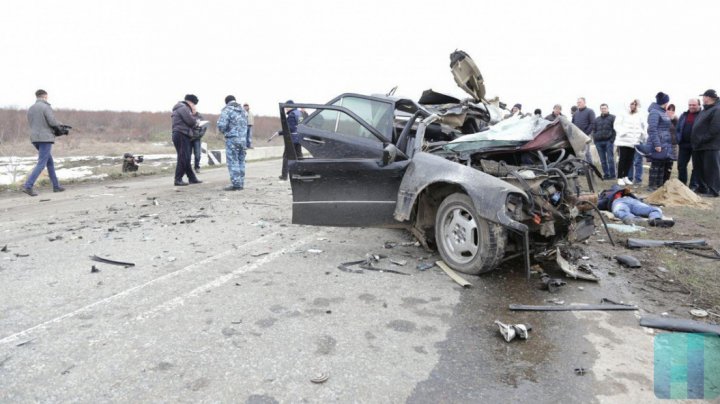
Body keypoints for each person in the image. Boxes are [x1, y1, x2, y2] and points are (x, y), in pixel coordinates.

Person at [22, 89, 65, 196]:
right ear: (45, 96)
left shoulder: (31, 108)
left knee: (49, 162)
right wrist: (61, 127)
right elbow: (52, 122)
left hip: (34, 139)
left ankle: (56, 186)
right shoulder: (46, 107)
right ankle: (28, 186)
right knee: (41, 163)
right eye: (47, 96)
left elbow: (36, 123)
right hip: (45, 139)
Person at [597, 185, 674, 227]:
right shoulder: (605, 198)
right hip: (621, 202)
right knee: (621, 211)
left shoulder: (611, 191)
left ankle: (655, 220)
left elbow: (616, 186)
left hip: (631, 201)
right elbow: (598, 205)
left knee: (655, 209)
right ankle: (635, 220)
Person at [690, 89, 720, 197]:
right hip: (699, 146)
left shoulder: (717, 109)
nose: (703, 98)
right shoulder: (705, 110)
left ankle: (714, 191)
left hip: (710, 146)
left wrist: (702, 139)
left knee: (711, 169)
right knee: (700, 169)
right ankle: (703, 188)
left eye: (704, 96)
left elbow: (715, 129)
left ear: (709, 97)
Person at [643, 91, 675, 191]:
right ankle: (652, 186)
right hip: (658, 142)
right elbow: (652, 129)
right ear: (665, 102)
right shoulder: (654, 112)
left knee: (662, 164)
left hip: (665, 142)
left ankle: (659, 186)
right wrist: (657, 144)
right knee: (656, 165)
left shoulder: (662, 112)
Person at [217, 95, 248, 191]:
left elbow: (222, 126)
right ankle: (241, 183)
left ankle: (236, 184)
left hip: (232, 139)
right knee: (241, 161)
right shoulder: (243, 111)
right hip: (243, 140)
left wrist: (225, 131)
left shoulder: (227, 110)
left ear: (226, 102)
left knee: (233, 162)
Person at [171, 94, 202, 186]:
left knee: (186, 157)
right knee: (183, 157)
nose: (194, 107)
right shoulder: (184, 108)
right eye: (193, 104)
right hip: (181, 134)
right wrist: (197, 122)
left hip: (181, 134)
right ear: (190, 102)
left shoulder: (180, 108)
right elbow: (191, 121)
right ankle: (178, 179)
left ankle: (192, 178)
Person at [614, 99, 647, 186]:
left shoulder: (638, 114)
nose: (633, 106)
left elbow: (641, 126)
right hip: (624, 140)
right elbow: (616, 125)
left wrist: (642, 134)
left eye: (635, 104)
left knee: (630, 160)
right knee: (622, 159)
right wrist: (623, 132)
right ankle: (620, 177)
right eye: (632, 104)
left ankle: (625, 176)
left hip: (634, 141)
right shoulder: (622, 113)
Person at [676, 98, 702, 188]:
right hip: (683, 144)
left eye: (694, 105)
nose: (691, 107)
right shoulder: (684, 115)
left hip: (697, 145)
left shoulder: (702, 115)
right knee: (681, 165)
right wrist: (678, 138)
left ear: (699, 105)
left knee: (696, 167)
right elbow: (678, 128)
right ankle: (681, 185)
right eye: (690, 105)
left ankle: (693, 186)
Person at [591, 103, 616, 180]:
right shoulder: (596, 119)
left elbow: (615, 130)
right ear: (600, 109)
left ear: (607, 109)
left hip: (608, 141)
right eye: (602, 108)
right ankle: (606, 174)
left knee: (610, 159)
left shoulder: (613, 118)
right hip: (598, 142)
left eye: (605, 108)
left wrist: (612, 140)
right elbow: (594, 130)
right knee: (602, 160)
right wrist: (595, 140)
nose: (603, 109)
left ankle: (612, 175)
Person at [279, 100, 302, 181]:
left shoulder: (292, 115)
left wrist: (280, 132)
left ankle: (284, 175)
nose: (285, 109)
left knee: (286, 157)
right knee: (299, 157)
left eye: (286, 107)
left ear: (290, 107)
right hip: (299, 139)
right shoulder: (299, 113)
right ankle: (301, 173)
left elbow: (290, 128)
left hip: (292, 139)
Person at [572, 97, 596, 164]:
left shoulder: (590, 111)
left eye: (580, 102)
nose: (578, 104)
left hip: (586, 136)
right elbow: (572, 124)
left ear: (584, 103)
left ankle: (591, 168)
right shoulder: (575, 113)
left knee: (586, 152)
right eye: (577, 102)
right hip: (577, 137)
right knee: (579, 153)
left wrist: (585, 134)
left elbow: (593, 123)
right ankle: (582, 168)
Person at [189, 107, 205, 173]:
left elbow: (204, 127)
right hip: (189, 138)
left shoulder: (200, 117)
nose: (193, 111)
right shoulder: (188, 116)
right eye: (192, 109)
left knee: (197, 154)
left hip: (197, 138)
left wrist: (200, 134)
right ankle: (188, 168)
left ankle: (197, 167)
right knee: (188, 155)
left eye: (194, 109)